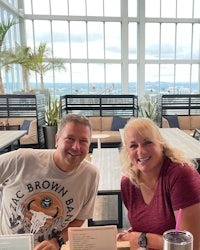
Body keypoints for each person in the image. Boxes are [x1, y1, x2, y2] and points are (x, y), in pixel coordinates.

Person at [0, 113, 99, 250]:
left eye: (83, 141)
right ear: (57, 139)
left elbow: (80, 219)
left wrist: (57, 241)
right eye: (70, 139)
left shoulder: (90, 175)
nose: (76, 147)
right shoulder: (21, 160)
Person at [117, 117, 200, 250]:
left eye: (147, 142)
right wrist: (135, 235)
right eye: (133, 146)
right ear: (127, 151)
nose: (141, 151)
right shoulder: (128, 183)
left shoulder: (181, 175)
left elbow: (191, 245)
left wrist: (141, 238)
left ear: (161, 145)